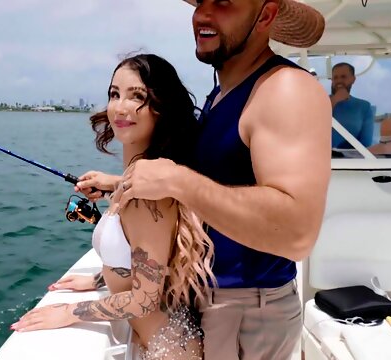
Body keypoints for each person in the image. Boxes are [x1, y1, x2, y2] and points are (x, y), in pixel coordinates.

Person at [73, 1, 332, 359]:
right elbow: (220, 184)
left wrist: (177, 180)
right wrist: (122, 185)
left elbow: (297, 232)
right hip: (202, 300)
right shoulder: (222, 94)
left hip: (244, 314)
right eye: (201, 1)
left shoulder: (285, 88)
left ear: (266, 15)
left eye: (224, 2)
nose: (204, 15)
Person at [11, 53, 217, 360]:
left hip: (170, 352)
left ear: (161, 109)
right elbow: (146, 261)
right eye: (114, 94)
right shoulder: (141, 180)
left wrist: (71, 311)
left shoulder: (149, 195)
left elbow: (144, 300)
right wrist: (97, 279)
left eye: (138, 97)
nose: (120, 107)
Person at [330, 62, 375, 148]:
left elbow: (366, 144)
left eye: (343, 77)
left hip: (351, 160)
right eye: (335, 77)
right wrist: (334, 101)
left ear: (353, 79)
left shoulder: (364, 107)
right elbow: (313, 130)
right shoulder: (319, 102)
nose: (339, 81)